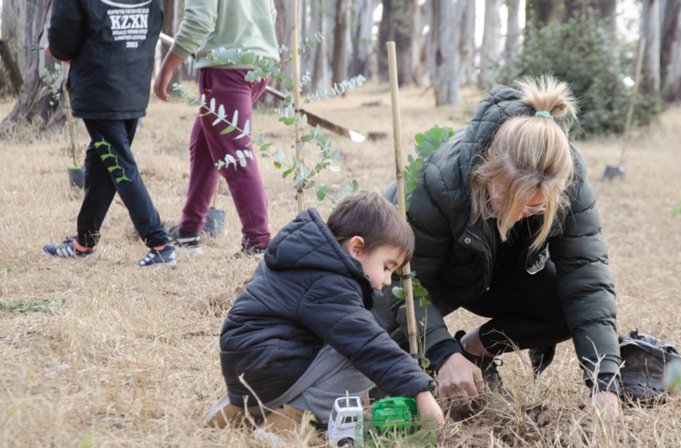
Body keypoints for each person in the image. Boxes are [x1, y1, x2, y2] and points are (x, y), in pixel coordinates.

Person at [373, 76, 622, 417]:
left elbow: (587, 279)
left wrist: (605, 384)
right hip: (435, 275)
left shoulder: (567, 177)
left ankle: (476, 350)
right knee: (378, 375)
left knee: (566, 308)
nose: (520, 215)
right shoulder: (440, 180)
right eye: (509, 202)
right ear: (487, 171)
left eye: (534, 209)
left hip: (500, 272)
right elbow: (405, 284)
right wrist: (443, 354)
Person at [205, 192, 444, 430]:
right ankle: (289, 425)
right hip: (268, 366)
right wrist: (420, 390)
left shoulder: (307, 258)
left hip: (246, 366)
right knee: (361, 357)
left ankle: (240, 411)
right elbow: (367, 343)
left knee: (352, 343)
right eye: (386, 267)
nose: (387, 280)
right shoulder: (329, 282)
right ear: (357, 248)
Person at [43, 0, 175, 268]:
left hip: (100, 88)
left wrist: (59, 51)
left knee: (119, 164)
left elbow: (63, 36)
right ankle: (84, 241)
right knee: (102, 159)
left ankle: (159, 243)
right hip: (133, 85)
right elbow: (155, 23)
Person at [153, 0, 278, 257]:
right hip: (260, 62)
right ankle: (189, 230)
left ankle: (258, 241)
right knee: (203, 144)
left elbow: (199, 21)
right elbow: (271, 12)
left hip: (226, 67)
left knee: (235, 153)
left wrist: (166, 68)